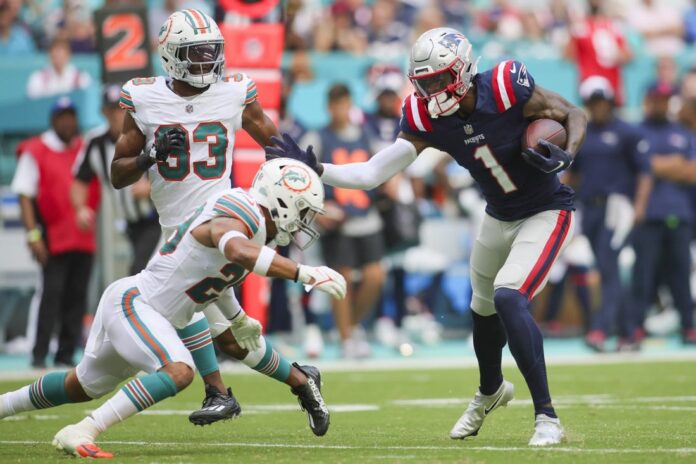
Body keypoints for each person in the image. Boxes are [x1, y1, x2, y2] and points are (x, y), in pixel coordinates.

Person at [267, 27, 587, 446]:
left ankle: (546, 416)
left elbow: (574, 114)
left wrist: (567, 154)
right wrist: (317, 169)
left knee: (509, 297)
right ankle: (491, 391)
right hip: (498, 214)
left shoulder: (506, 86)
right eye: (424, 82)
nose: (431, 91)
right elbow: (372, 172)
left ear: (463, 70)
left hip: (546, 209)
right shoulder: (426, 117)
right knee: (482, 308)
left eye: (439, 79)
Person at [0, 158, 345, 458]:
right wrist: (304, 273)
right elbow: (237, 251)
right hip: (138, 304)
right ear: (283, 199)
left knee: (82, 385)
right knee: (179, 370)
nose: (304, 221)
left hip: (153, 313)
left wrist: (238, 318)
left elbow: (215, 276)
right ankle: (83, 430)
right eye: (303, 211)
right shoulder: (242, 208)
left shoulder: (255, 231)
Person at [111, 9, 328, 428]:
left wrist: (301, 166)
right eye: (196, 53)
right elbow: (118, 174)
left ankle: (220, 392)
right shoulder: (145, 97)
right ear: (171, 55)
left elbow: (272, 138)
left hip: (221, 223)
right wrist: (148, 156)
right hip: (174, 226)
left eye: (212, 50)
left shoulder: (232, 91)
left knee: (183, 311)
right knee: (229, 335)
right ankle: (300, 380)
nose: (207, 60)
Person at [564, 76, 652, 352]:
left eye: (602, 100)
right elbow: (572, 175)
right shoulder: (582, 134)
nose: (598, 106)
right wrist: (564, 207)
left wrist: (639, 206)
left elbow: (645, 172)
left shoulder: (627, 132)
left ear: (611, 102)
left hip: (617, 207)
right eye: (593, 101)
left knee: (608, 263)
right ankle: (630, 333)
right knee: (606, 268)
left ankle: (600, 329)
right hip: (590, 207)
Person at [301, 84, 386, 358]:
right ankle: (346, 338)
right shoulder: (318, 137)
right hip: (337, 222)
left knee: (375, 276)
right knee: (343, 278)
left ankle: (352, 326)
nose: (341, 110)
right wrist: (317, 210)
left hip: (366, 218)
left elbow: (383, 168)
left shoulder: (366, 134)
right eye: (337, 105)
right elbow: (299, 175)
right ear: (329, 107)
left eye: (345, 104)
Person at [11, 97, 96, 368]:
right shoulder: (36, 150)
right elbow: (24, 194)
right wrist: (33, 235)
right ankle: (38, 354)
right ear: (53, 121)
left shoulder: (83, 148)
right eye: (63, 117)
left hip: (82, 235)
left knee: (77, 296)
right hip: (52, 235)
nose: (68, 122)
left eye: (72, 117)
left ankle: (66, 354)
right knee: (50, 296)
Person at [72, 84, 160, 275]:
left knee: (140, 271)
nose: (116, 115)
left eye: (120, 109)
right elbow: (80, 179)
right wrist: (80, 208)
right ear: (103, 112)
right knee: (146, 273)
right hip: (129, 224)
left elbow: (173, 167)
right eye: (111, 110)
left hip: (156, 220)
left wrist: (151, 187)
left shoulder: (147, 133)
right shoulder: (96, 143)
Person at [632, 84, 696, 345]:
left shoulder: (682, 132)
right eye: (656, 99)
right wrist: (674, 164)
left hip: (679, 213)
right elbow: (637, 167)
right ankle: (636, 326)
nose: (661, 104)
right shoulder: (636, 132)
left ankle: (688, 326)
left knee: (681, 272)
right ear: (647, 101)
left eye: (665, 100)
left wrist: (655, 164)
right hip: (647, 214)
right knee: (643, 273)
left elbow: (692, 172)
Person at [564, 0, 631, 105]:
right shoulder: (581, 27)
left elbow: (627, 55)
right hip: (590, 85)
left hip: (610, 84)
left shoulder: (613, 26)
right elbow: (568, 55)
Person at [26, 37, 91, 99]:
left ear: (68, 55)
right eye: (55, 54)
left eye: (62, 54)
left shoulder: (81, 77)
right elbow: (33, 101)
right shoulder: (38, 77)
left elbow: (87, 99)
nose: (58, 58)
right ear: (49, 55)